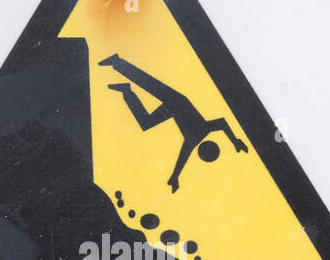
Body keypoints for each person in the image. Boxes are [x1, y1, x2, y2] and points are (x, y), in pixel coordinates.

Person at [99, 53, 248, 192]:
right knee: (149, 86)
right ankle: (118, 64)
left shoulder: (202, 132)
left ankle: (126, 89)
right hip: (177, 102)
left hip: (173, 107)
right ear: (201, 151)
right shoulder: (193, 140)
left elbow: (221, 124)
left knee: (146, 119)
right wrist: (174, 177)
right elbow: (183, 160)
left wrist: (235, 141)